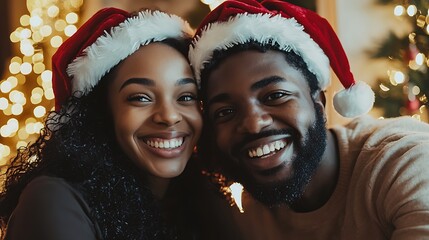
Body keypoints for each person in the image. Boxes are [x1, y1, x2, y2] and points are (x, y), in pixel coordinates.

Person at [189, 0, 429, 239]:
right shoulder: (238, 207)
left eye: (275, 96)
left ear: (319, 102)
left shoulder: (407, 163)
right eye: (225, 111)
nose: (253, 124)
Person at [0, 7, 202, 240]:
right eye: (140, 98)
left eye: (186, 96)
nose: (168, 116)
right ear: (101, 111)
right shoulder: (54, 199)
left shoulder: (194, 202)